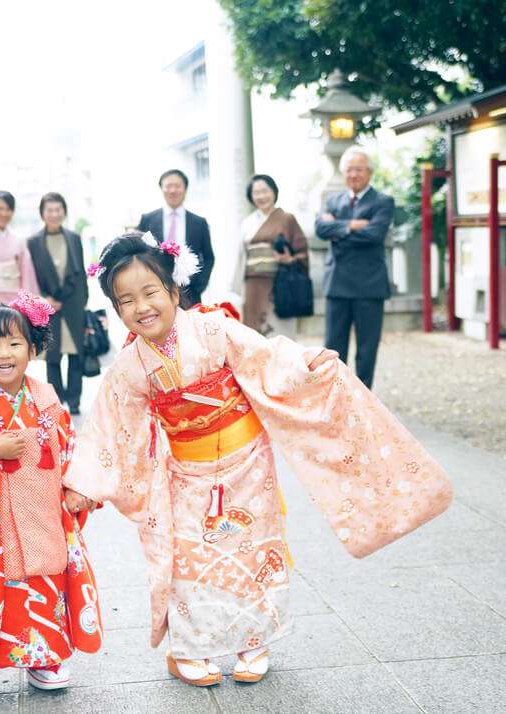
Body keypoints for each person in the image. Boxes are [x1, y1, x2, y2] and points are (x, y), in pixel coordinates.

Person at [67, 234, 452, 687]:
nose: (141, 306)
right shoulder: (129, 367)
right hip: (186, 475)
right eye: (126, 300)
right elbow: (109, 427)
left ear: (174, 290)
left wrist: (306, 366)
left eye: (151, 292)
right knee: (190, 560)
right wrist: (86, 484)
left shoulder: (215, 330)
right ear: (116, 309)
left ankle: (254, 640)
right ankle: (190, 648)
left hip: (248, 464)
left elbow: (267, 359)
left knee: (254, 551)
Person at [0, 292, 102, 706]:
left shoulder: (45, 399)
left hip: (41, 514)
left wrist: (79, 486)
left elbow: (68, 448)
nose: (3, 353)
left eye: (14, 344)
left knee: (42, 585)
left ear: (32, 348)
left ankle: (41, 656)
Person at [314, 147, 395, 389]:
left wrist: (337, 230)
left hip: (369, 286)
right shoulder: (333, 200)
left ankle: (364, 403)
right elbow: (320, 230)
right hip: (337, 284)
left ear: (369, 172)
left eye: (358, 169)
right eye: (349, 170)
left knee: (366, 350)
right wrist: (352, 225)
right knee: (333, 348)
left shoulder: (382, 201)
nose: (353, 175)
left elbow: (374, 235)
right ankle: (334, 397)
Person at [27, 193, 89, 415]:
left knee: (75, 353)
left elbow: (80, 272)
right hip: (48, 305)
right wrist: (44, 300)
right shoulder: (33, 242)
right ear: (42, 213)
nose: (54, 214)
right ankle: (56, 400)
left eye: (58, 210)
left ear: (64, 212)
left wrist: (83, 302)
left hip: (73, 303)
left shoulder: (74, 238)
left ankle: (74, 401)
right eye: (49, 210)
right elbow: (30, 276)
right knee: (52, 356)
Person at [233, 174, 309, 335]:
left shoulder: (287, 219)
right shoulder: (247, 222)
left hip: (280, 285)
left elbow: (302, 251)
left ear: (274, 192)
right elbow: (240, 258)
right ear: (251, 196)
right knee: (253, 335)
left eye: (265, 191)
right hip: (252, 286)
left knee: (279, 335)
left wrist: (290, 260)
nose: (261, 196)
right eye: (256, 192)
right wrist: (237, 289)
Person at [136, 169, 213, 306]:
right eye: (168, 186)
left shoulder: (199, 222)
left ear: (185, 189)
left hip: (190, 292)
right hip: (155, 290)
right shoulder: (147, 220)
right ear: (162, 188)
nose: (173, 190)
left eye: (177, 186)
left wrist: (199, 286)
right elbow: (138, 252)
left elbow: (208, 257)